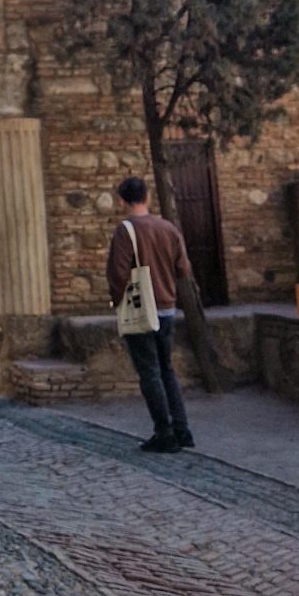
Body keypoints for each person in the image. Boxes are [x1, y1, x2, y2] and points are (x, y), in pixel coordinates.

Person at [106, 175, 195, 453]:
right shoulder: (168, 228)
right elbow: (184, 269)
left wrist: (117, 301)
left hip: (142, 309)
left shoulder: (125, 231)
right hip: (168, 307)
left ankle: (164, 432)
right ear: (147, 197)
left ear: (122, 200)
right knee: (167, 369)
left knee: (150, 372)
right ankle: (182, 428)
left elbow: (118, 273)